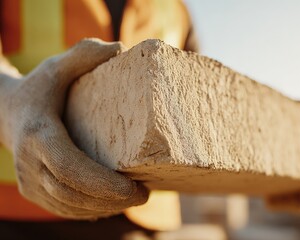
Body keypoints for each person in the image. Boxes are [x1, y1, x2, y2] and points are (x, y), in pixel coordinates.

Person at [0, 0, 198, 239]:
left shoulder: (175, 8)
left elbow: (193, 95)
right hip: (24, 218)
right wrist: (9, 102)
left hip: (142, 220)